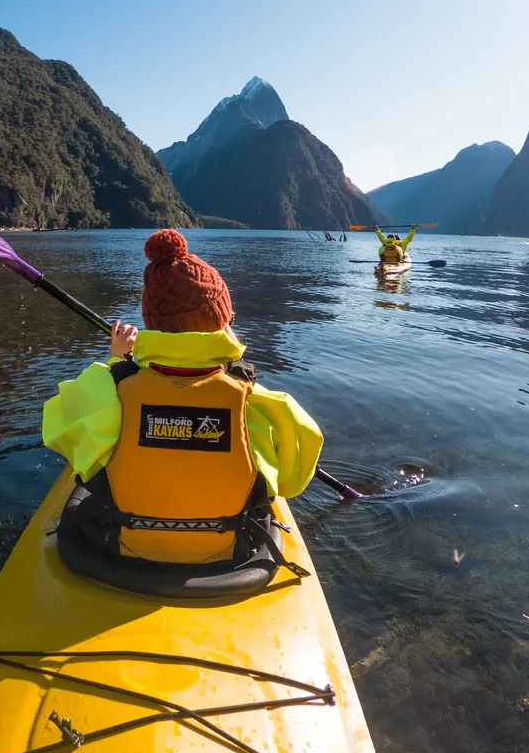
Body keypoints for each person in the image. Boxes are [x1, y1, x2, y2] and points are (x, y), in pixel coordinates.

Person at [42, 229, 323, 566]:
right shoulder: (263, 404)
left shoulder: (106, 387)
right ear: (223, 323)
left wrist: (117, 362)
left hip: (116, 546)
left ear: (150, 322)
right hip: (233, 553)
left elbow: (60, 434)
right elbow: (290, 483)